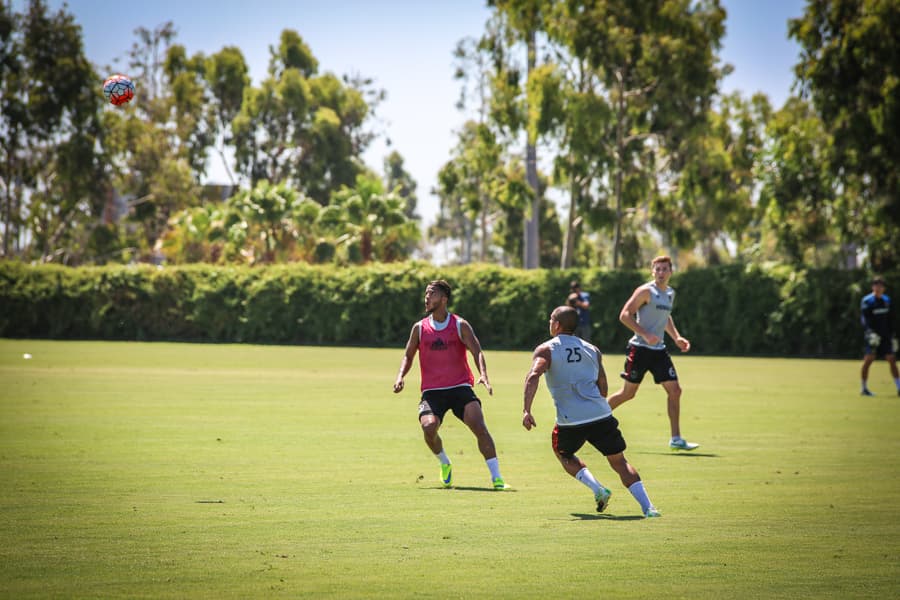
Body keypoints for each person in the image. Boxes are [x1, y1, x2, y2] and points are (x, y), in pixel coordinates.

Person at [522, 305, 660, 517]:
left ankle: (598, 489)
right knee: (620, 462)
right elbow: (603, 386)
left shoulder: (546, 349)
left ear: (557, 325)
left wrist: (526, 410)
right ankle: (649, 508)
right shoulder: (593, 349)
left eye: (551, 320)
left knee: (563, 454)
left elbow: (533, 376)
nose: (549, 323)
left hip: (571, 420)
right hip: (601, 414)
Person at [393, 279, 508, 490]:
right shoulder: (419, 328)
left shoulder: (459, 325)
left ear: (444, 299)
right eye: (426, 293)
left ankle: (497, 478)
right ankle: (445, 462)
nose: (427, 297)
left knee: (479, 425)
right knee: (428, 427)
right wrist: (400, 376)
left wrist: (483, 374)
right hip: (432, 392)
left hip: (460, 388)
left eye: (431, 294)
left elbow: (477, 351)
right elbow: (408, 355)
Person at [606, 255, 700, 451]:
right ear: (652, 271)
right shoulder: (646, 291)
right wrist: (645, 334)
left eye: (664, 269)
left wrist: (677, 338)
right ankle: (590, 419)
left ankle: (676, 439)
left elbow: (665, 318)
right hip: (639, 349)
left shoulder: (670, 294)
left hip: (659, 351)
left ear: (671, 272)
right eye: (657, 269)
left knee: (675, 391)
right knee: (628, 394)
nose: (661, 272)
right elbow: (624, 315)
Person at [860, 276, 900, 397]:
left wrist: (893, 335)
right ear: (873, 287)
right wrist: (870, 333)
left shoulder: (887, 300)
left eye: (880, 286)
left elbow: (891, 319)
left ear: (884, 288)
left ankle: (899, 387)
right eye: (876, 285)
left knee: (891, 359)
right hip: (873, 336)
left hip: (886, 336)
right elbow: (864, 319)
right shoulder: (867, 301)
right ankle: (864, 388)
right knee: (868, 360)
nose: (878, 288)